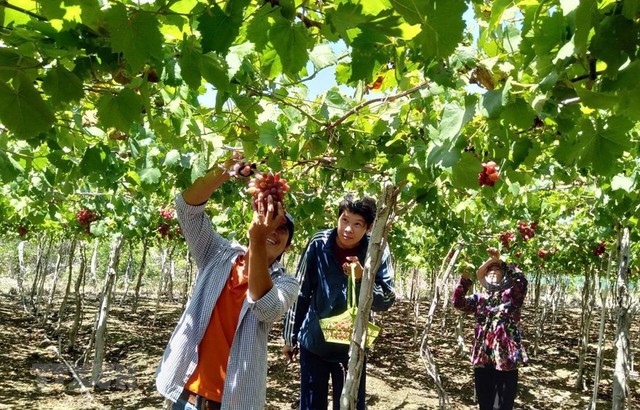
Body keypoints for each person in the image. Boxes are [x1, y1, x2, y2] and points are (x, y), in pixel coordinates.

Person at [156, 157, 299, 410]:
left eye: (281, 228)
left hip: (234, 403)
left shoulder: (287, 283)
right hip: (184, 396)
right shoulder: (217, 253)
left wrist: (257, 239)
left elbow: (266, 307)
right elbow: (186, 208)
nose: (272, 231)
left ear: (288, 246)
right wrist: (225, 170)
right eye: (268, 221)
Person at [282, 194, 396, 410]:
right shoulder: (319, 243)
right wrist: (290, 337)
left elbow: (387, 300)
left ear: (369, 228)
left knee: (350, 406)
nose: (348, 229)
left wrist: (364, 278)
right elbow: (301, 291)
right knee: (310, 405)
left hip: (353, 348)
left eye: (357, 224)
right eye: (344, 220)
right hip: (314, 343)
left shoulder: (377, 250)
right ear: (338, 218)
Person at [453, 247, 528, 410]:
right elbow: (458, 303)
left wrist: (502, 260)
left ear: (504, 274)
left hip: (505, 358)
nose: (493, 271)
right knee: (485, 405)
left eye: (497, 269)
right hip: (483, 356)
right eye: (489, 269)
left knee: (502, 405)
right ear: (485, 276)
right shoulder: (479, 299)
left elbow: (521, 281)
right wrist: (464, 280)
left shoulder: (512, 297)